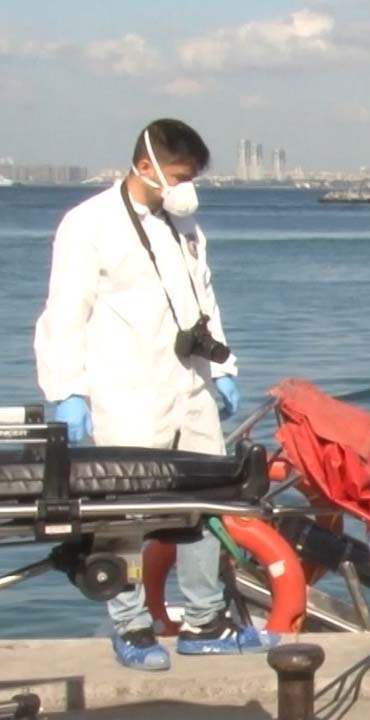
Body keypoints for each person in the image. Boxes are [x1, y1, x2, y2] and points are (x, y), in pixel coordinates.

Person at [33, 119, 267, 671]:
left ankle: (205, 620)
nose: (188, 188)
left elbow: (203, 301)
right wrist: (68, 391)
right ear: (147, 167)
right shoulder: (88, 225)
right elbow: (65, 314)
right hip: (127, 388)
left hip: (191, 383)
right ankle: (132, 625)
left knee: (207, 502)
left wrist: (224, 365)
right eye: (181, 176)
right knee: (123, 511)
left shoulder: (184, 227)